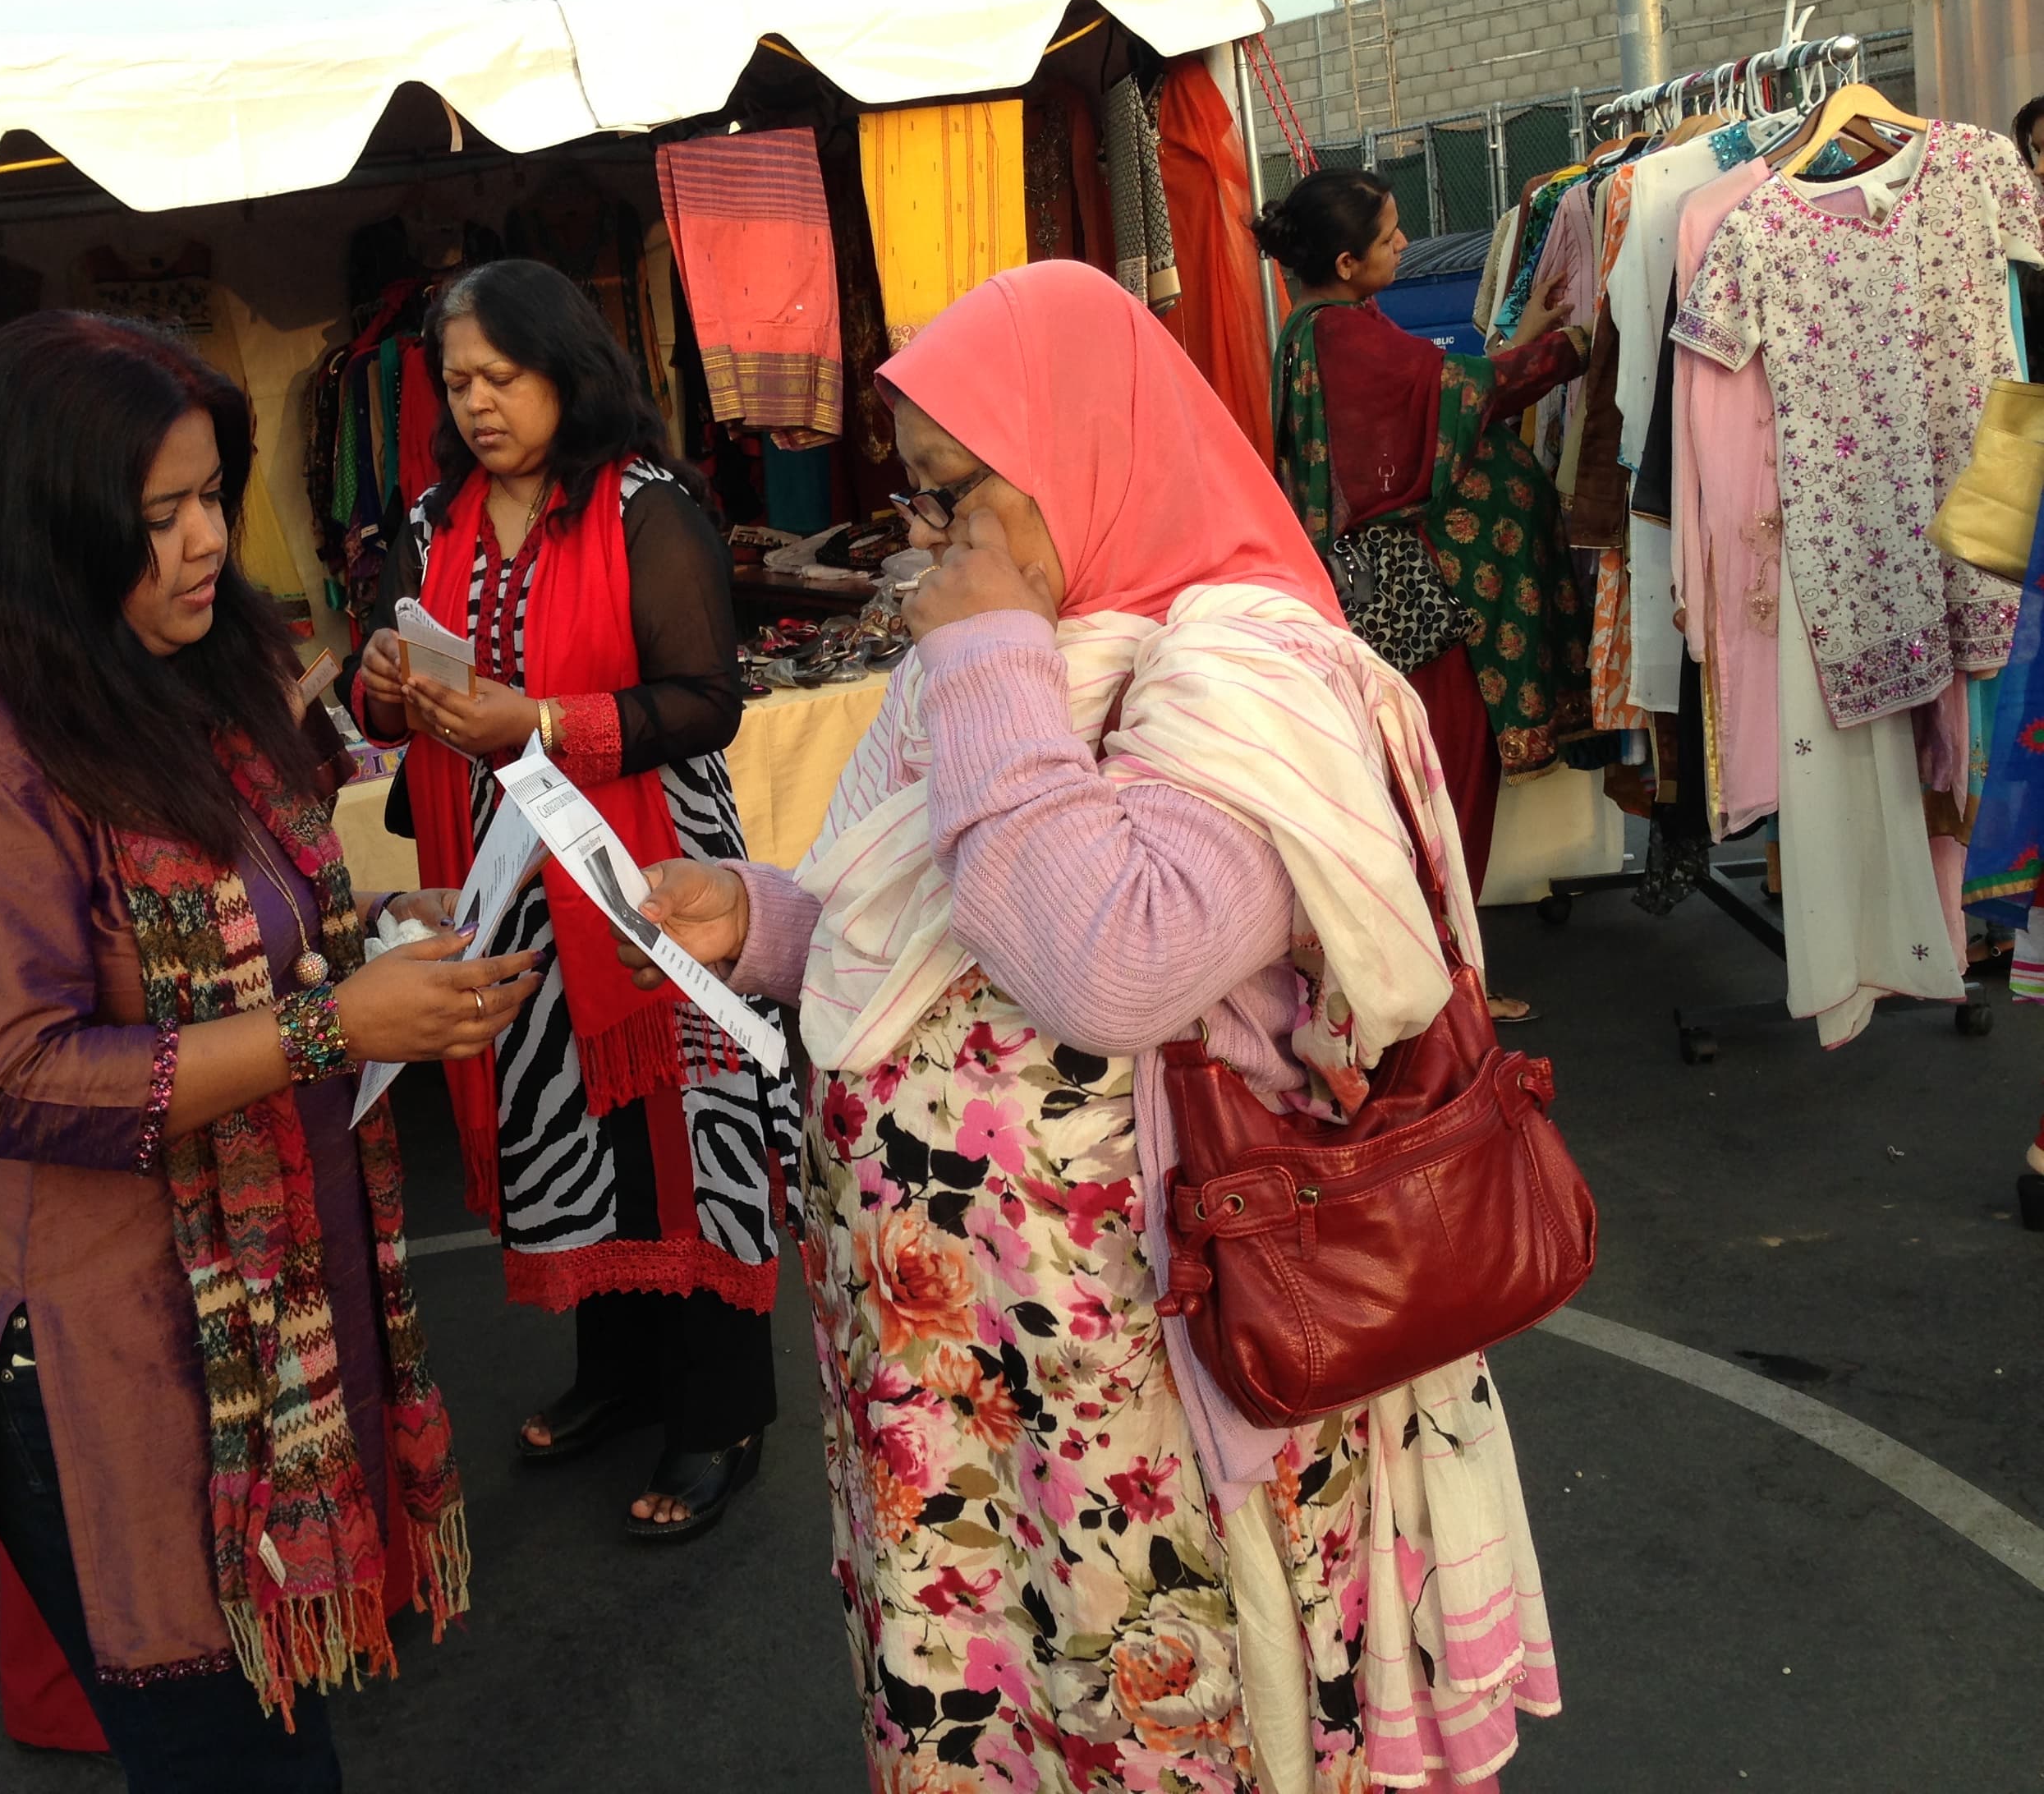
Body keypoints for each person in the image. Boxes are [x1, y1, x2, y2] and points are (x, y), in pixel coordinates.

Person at [613, 264, 1559, 1791]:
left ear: (1076, 452)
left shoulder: (1243, 681)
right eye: (911, 504)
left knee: (1157, 1725)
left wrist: (984, 652)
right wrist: (763, 919)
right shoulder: (1005, 662)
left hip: (1151, 1399)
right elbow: (927, 937)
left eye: (952, 496)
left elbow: (1104, 960)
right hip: (969, 1389)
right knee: (1003, 1713)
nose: (926, 545)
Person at [0, 311, 536, 1791]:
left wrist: (377, 934)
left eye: (213, 492)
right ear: (47, 523)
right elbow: (18, 1071)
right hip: (96, 1342)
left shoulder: (163, 677)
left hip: (214, 1298)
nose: (207, 540)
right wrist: (325, 1026)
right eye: (158, 516)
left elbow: (245, 911)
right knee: (227, 1753)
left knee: (273, 1741)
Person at [346, 258, 802, 1540]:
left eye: (504, 376)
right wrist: (383, 682)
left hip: (649, 871)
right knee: (571, 1136)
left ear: (566, 368)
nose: (479, 403)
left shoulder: (646, 506)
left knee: (679, 1129)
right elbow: (373, 678)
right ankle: (621, 1373)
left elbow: (707, 699)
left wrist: (538, 719)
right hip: (504, 874)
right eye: (459, 382)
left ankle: (720, 1413)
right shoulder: (434, 524)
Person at [1259, 168, 1592, 1023]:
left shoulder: (1326, 327)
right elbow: (1458, 394)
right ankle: (1445, 996)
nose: (1405, 244)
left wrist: (1532, 328)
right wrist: (1568, 351)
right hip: (1421, 610)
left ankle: (1436, 982)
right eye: (1390, 235)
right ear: (1344, 259)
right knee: (1443, 791)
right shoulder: (1343, 338)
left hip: (1396, 601)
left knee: (1423, 791)